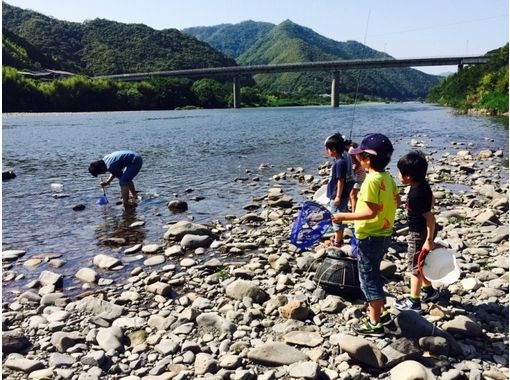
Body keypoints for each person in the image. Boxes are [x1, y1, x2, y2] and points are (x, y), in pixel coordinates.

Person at [331, 133, 399, 336]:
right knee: (373, 272)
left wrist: (344, 216)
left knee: (368, 280)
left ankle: (375, 324)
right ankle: (383, 312)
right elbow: (395, 201)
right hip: (383, 234)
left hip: (369, 236)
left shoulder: (370, 181)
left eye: (360, 155)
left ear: (368, 159)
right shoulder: (387, 177)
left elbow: (370, 212)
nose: (357, 158)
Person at [394, 151, 439, 313]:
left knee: (414, 265)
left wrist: (429, 239)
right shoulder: (422, 185)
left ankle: (414, 301)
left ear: (408, 177)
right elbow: (432, 200)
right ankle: (429, 290)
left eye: (399, 172)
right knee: (422, 263)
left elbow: (430, 218)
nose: (397, 174)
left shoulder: (415, 195)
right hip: (422, 232)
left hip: (419, 234)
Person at [324, 133, 355, 248]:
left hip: (338, 196)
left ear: (333, 150)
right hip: (339, 194)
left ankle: (338, 242)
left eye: (327, 149)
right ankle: (339, 238)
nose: (326, 151)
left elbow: (340, 180)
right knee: (339, 216)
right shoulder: (340, 159)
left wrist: (337, 196)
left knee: (336, 217)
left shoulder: (340, 162)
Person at [348, 143, 366, 212]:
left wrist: (352, 171)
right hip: (356, 178)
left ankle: (354, 212)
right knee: (351, 194)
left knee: (352, 195)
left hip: (359, 179)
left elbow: (356, 167)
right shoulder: (355, 159)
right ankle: (355, 207)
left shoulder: (358, 161)